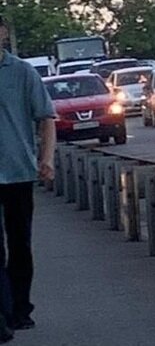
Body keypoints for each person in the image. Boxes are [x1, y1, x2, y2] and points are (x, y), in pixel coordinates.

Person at [0, 17, 57, 342]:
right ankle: (3, 315)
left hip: (19, 171)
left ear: (4, 33)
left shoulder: (22, 72)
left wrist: (46, 158)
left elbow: (46, 118)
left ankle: (20, 309)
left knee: (20, 245)